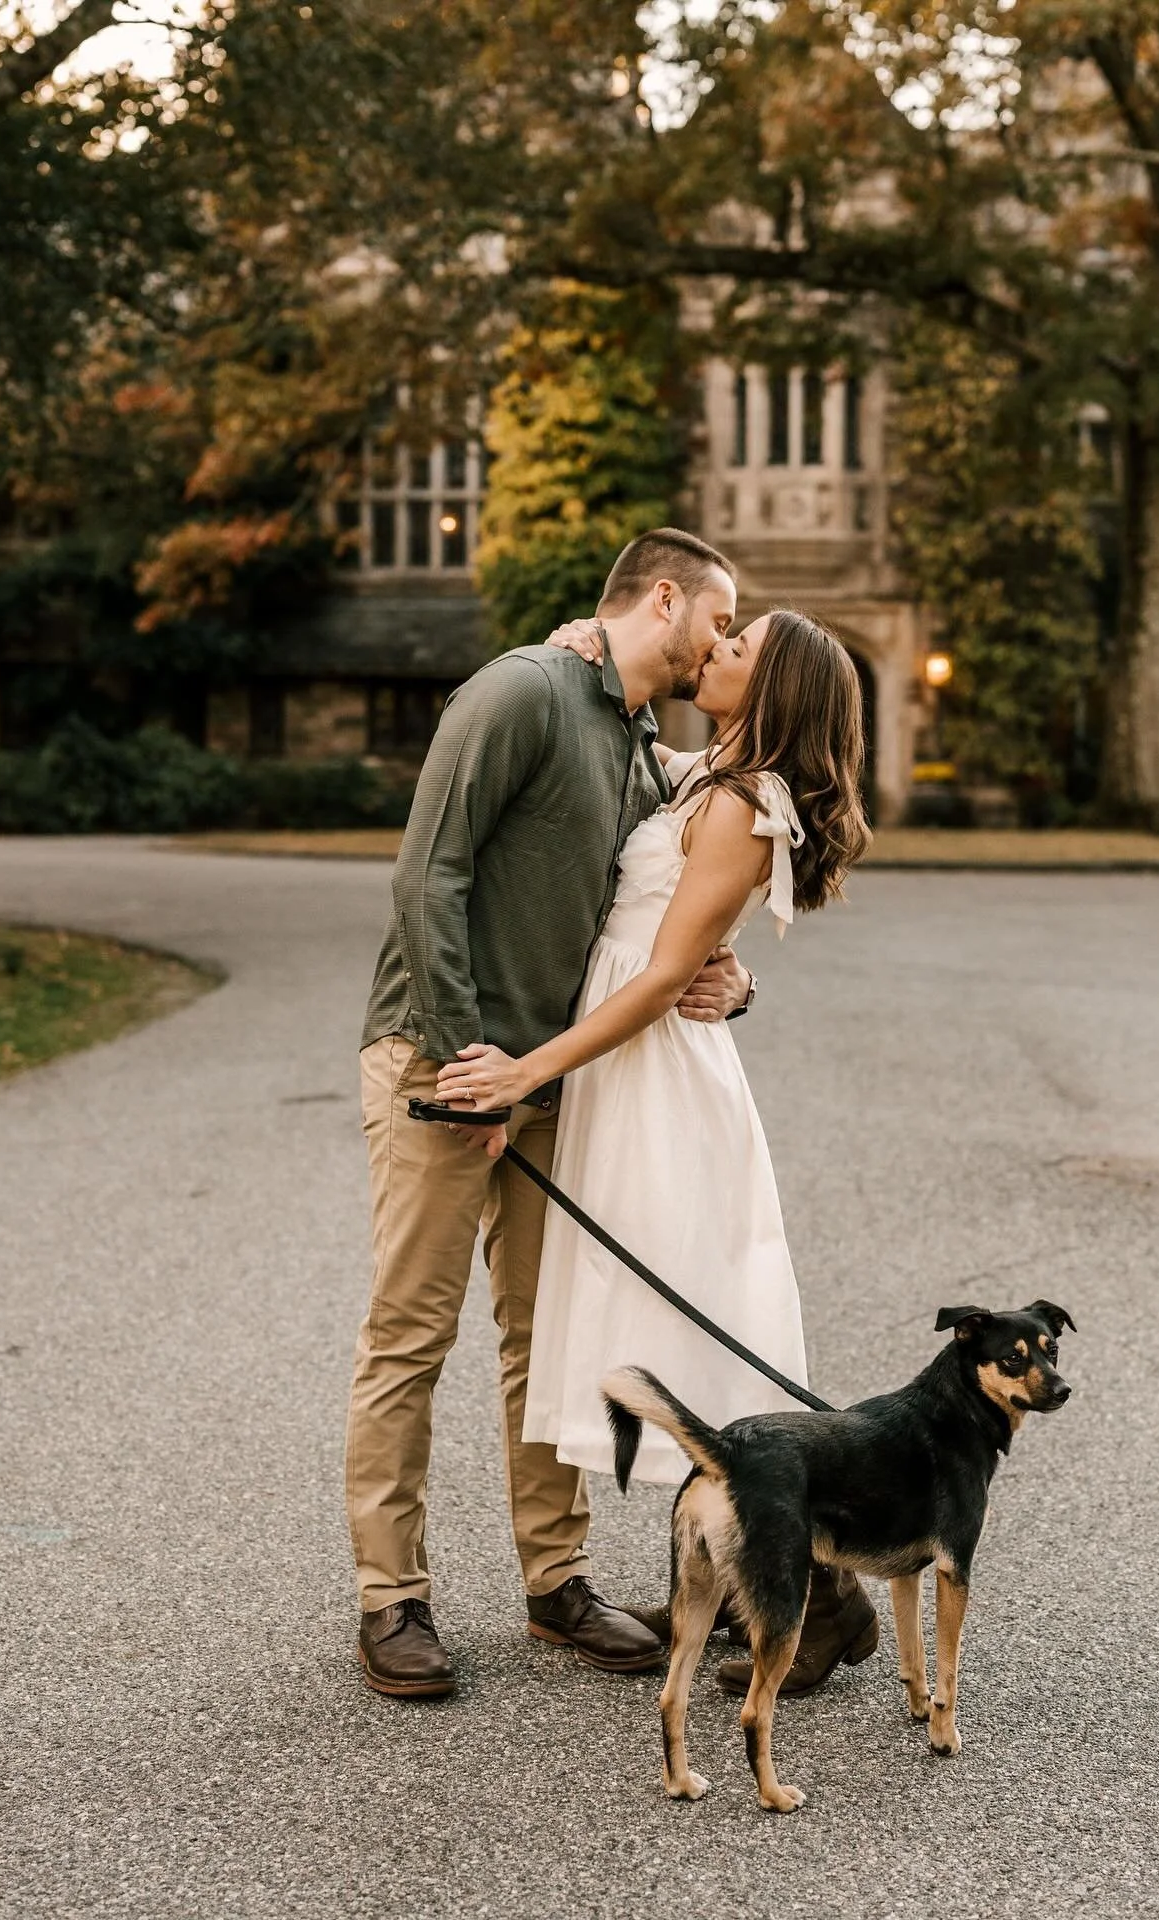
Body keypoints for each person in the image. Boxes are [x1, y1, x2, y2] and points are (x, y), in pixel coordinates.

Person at [434, 608, 879, 1696]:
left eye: (738, 648)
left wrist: (529, 1071)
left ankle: (823, 1598)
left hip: (659, 1084)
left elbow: (658, 976)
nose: (714, 649)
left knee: (694, 1331)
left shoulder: (737, 805)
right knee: (667, 1326)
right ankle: (765, 1580)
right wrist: (592, 645)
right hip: (632, 1074)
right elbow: (633, 738)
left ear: (769, 692)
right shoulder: (704, 773)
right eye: (717, 632)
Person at [346, 526, 754, 1699]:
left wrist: (734, 978)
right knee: (409, 1336)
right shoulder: (519, 692)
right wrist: (457, 1061)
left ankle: (555, 1582)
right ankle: (392, 1601)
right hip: (440, 1063)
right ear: (664, 599)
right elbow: (430, 875)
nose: (721, 644)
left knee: (546, 1337)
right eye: (718, 620)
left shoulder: (634, 736)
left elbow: (675, 897)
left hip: (548, 1083)